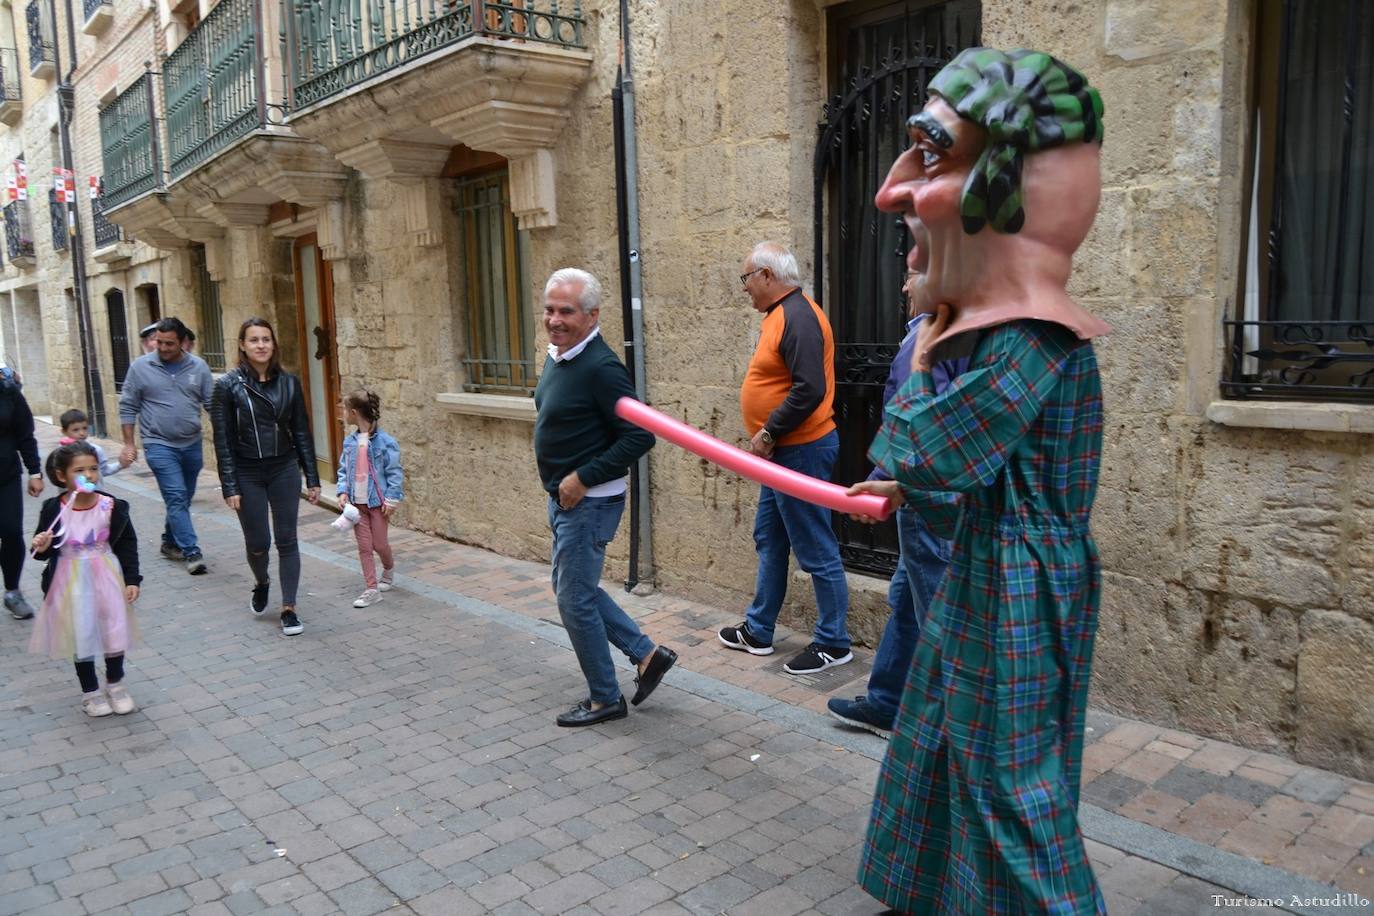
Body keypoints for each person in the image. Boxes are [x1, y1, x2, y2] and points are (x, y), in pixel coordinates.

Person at [848, 48, 1112, 914]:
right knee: (934, 738)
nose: (891, 193)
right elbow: (938, 464)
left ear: (1010, 190)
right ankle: (930, 893)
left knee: (1009, 781)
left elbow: (938, 453)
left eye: (930, 154)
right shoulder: (999, 335)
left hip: (1022, 583)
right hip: (989, 563)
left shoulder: (1029, 337)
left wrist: (930, 339)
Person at [534, 268, 676, 727]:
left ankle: (604, 698)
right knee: (574, 589)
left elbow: (639, 437)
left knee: (573, 600)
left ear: (593, 315)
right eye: (550, 309)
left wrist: (582, 478)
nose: (554, 319)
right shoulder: (560, 355)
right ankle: (646, 654)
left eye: (566, 311)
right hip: (566, 499)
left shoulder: (601, 367)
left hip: (589, 502)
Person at [827, 271, 965, 738]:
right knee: (908, 599)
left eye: (911, 275)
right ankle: (887, 702)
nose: (903, 287)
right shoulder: (962, 331)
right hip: (938, 495)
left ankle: (952, 734)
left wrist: (883, 482)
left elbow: (913, 421)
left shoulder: (929, 337)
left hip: (927, 500)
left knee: (938, 619)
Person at [717, 241, 852, 675]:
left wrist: (770, 431)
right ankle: (759, 630)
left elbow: (809, 388)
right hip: (781, 455)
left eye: (746, 278)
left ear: (767, 276)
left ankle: (834, 642)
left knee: (816, 547)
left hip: (802, 450)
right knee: (770, 539)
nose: (744, 289)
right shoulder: (781, 316)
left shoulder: (799, 317)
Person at [210, 317, 320, 636]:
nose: (261, 345)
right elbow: (223, 440)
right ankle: (261, 581)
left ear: (274, 345)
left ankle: (289, 608)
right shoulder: (227, 387)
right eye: (254, 340)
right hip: (247, 471)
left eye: (266, 339)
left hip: (283, 467)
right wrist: (229, 484)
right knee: (258, 542)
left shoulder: (289, 383)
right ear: (242, 345)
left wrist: (311, 476)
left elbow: (301, 430)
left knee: (287, 539)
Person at [29, 441, 142, 717]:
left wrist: (131, 579)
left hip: (107, 574)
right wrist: (42, 546)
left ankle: (115, 684)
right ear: (61, 476)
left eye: (93, 469)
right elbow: (42, 550)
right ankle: (90, 692)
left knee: (113, 629)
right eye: (79, 470)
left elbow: (127, 544)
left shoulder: (111, 506)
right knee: (82, 634)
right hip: (71, 580)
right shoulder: (54, 509)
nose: (89, 475)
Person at [118, 317, 213, 575]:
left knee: (183, 498)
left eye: (169, 343)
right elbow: (128, 405)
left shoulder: (199, 367)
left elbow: (212, 405)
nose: (162, 347)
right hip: (158, 443)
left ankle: (170, 542)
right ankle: (192, 551)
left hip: (192, 444)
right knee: (176, 496)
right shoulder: (140, 367)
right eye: (158, 342)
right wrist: (129, 443)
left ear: (183, 342)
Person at [336, 388, 403, 608]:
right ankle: (371, 589)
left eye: (345, 409)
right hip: (357, 505)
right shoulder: (349, 442)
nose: (343, 413)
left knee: (380, 544)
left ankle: (389, 568)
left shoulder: (386, 442)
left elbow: (394, 472)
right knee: (365, 547)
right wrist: (342, 491)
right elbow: (344, 470)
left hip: (378, 504)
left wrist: (392, 499)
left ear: (354, 413)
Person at [1, 367, 43, 619]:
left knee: (11, 531)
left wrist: (35, 472)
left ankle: (12, 591)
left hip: (5, 475)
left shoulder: (8, 391)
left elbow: (25, 434)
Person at [58, 409, 124, 478]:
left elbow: (103, 471)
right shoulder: (61, 452)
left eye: (85, 428)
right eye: (75, 430)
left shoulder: (96, 450)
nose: (82, 433)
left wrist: (120, 465)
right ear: (64, 431)